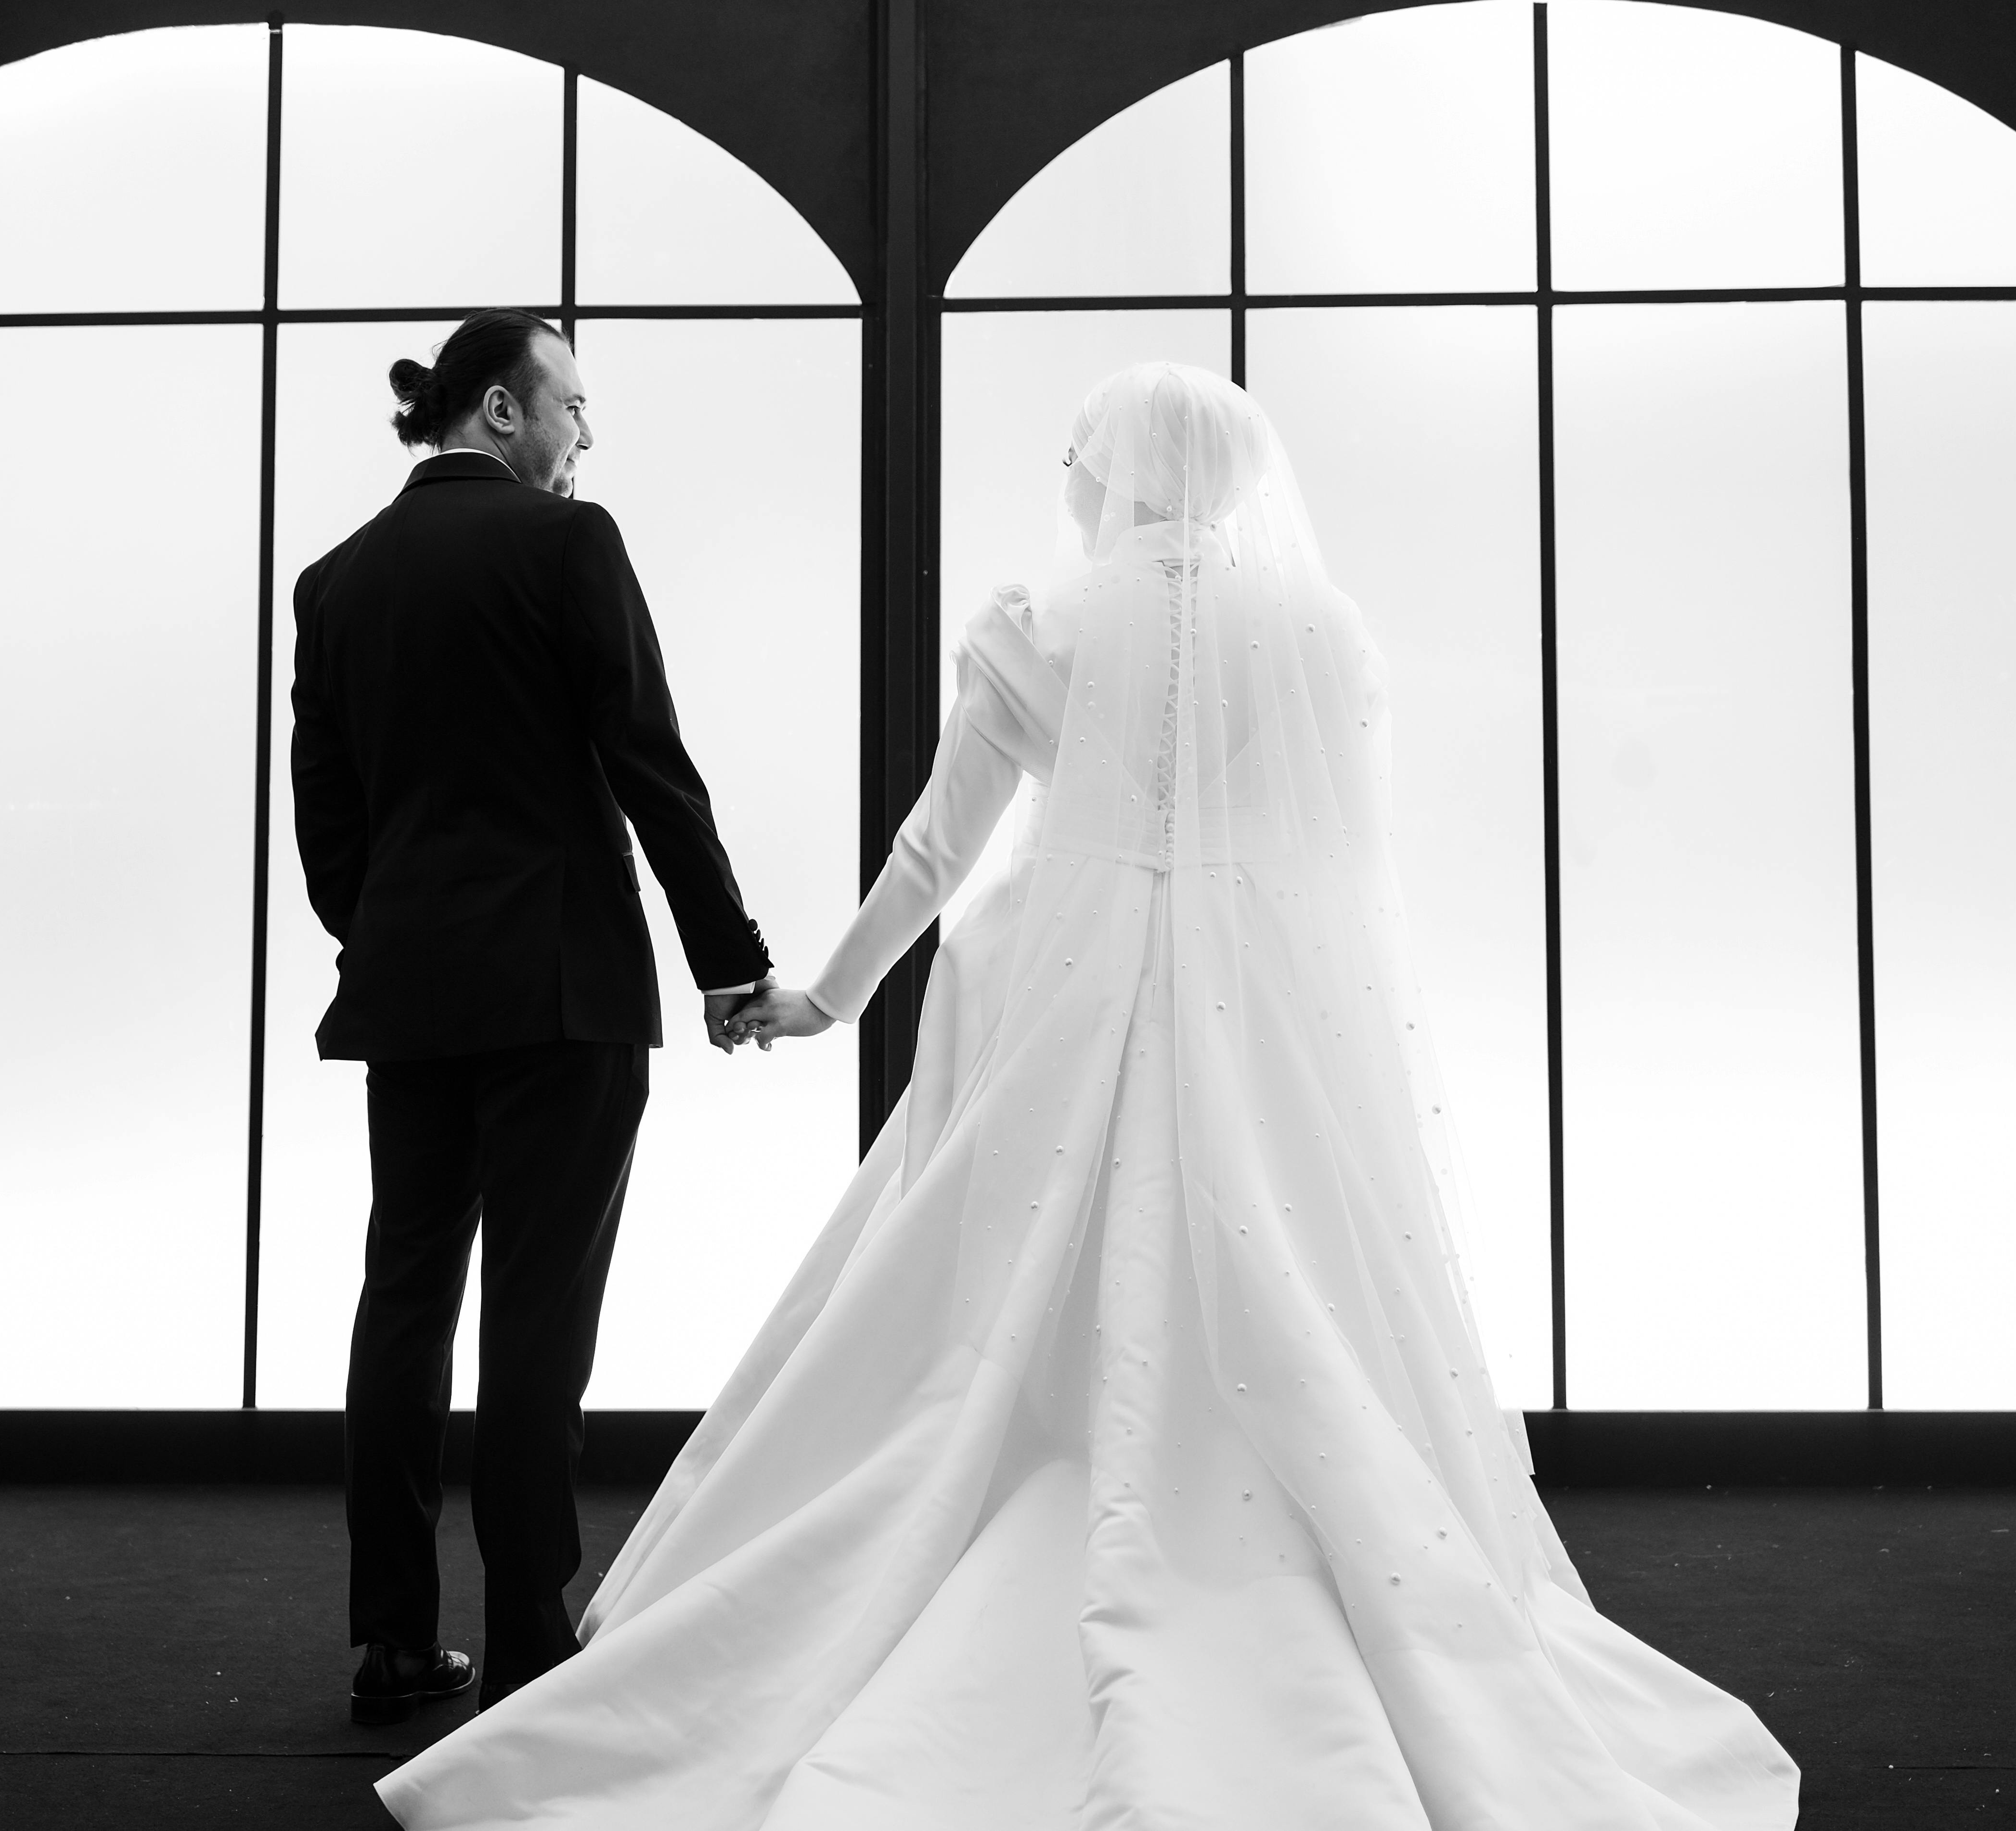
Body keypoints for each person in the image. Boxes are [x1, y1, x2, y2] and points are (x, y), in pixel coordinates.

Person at [372, 363, 1801, 1828]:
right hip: (1268, 1009)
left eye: (1075, 455)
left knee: (1006, 1300)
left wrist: (826, 995)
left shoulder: (1036, 625)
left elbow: (938, 851)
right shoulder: (1322, 629)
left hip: (1065, 993)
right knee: (1278, 1264)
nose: (1065, 479)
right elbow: (1342, 860)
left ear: (1109, 476)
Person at [290, 308, 774, 1722]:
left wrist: (392, 934)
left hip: (409, 991)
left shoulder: (336, 580)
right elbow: (648, 764)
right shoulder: (570, 544)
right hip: (563, 990)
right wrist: (726, 957)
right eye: (571, 405)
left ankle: (387, 1636)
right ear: (502, 411)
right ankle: (523, 1646)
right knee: (537, 1321)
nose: (583, 436)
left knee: (403, 1296)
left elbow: (327, 826)